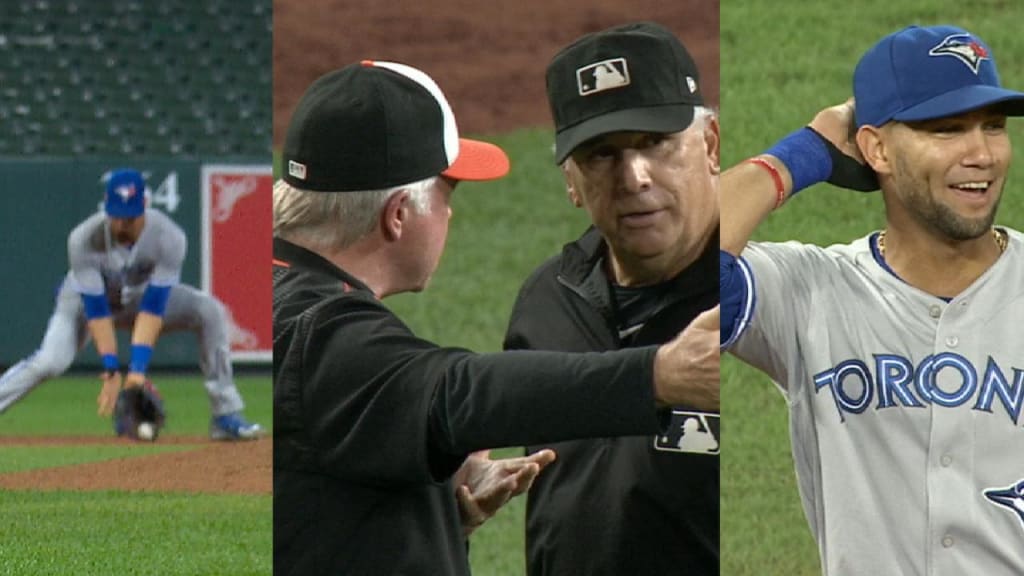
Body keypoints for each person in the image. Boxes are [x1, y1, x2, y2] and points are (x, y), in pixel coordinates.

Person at [272, 59, 721, 576]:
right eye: (448, 192)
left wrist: (434, 520)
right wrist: (661, 373)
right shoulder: (322, 335)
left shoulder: (280, 291)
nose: (451, 215)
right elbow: (460, 392)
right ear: (398, 215)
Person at [720, 25, 1024, 575]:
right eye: (947, 129)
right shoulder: (810, 291)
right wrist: (800, 155)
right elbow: (685, 267)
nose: (981, 153)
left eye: (994, 127)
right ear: (875, 148)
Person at [503, 22, 719, 576]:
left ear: (710, 145)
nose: (634, 177)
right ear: (570, 182)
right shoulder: (547, 302)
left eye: (655, 143)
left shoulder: (756, 298)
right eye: (601, 155)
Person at [0, 168, 264, 441]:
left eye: (130, 217)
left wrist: (136, 373)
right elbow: (96, 309)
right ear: (107, 207)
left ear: (145, 208)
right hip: (82, 303)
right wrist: (112, 369)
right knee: (49, 362)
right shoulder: (83, 238)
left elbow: (153, 309)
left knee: (209, 311)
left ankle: (225, 414)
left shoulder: (169, 236)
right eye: (117, 216)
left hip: (140, 298)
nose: (122, 225)